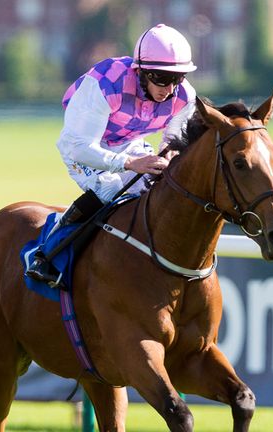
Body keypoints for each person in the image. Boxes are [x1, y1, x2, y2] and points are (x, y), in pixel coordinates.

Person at [26, 23, 198, 287]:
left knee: (163, 188)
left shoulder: (184, 97)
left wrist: (168, 162)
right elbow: (80, 147)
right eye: (161, 78)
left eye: (177, 78)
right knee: (110, 188)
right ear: (141, 71)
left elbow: (172, 143)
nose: (170, 89)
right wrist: (129, 163)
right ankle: (47, 254)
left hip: (129, 143)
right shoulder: (106, 83)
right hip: (83, 146)